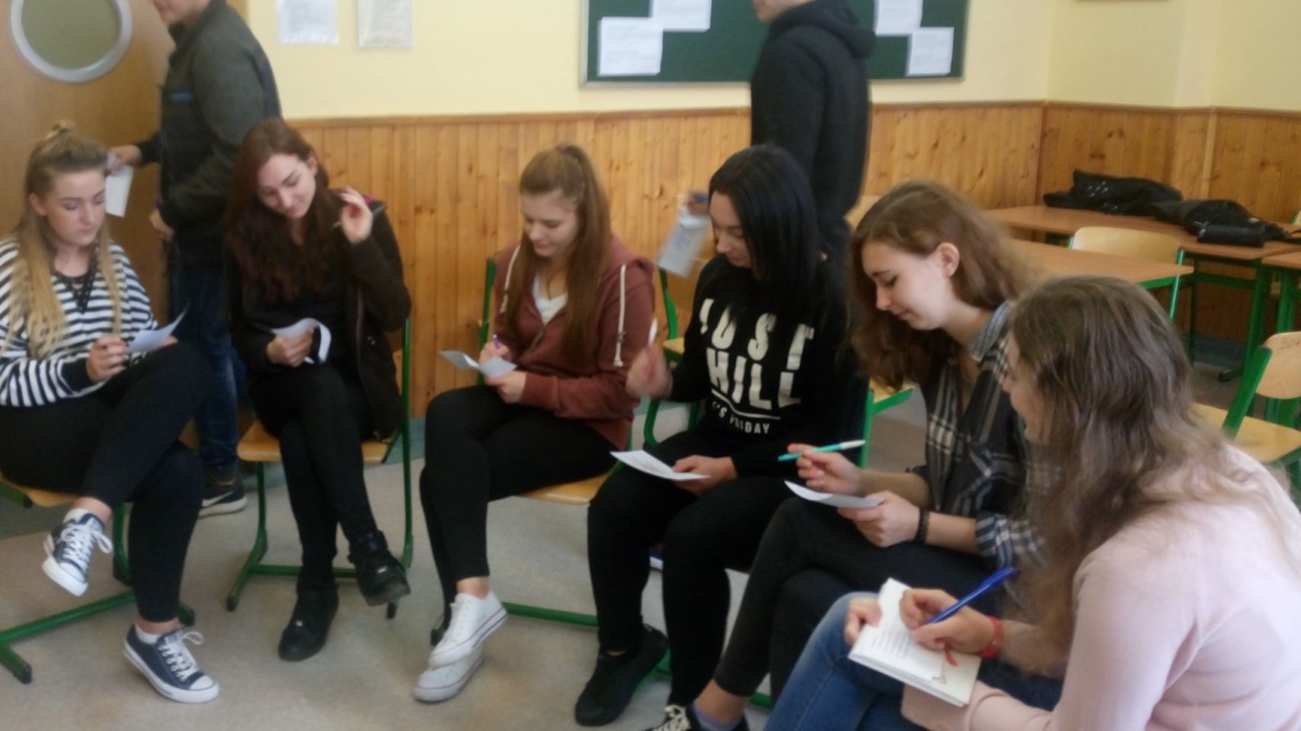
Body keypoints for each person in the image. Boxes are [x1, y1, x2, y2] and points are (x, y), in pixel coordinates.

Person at [768, 275, 1301, 730]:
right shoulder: (1235, 473)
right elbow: (1137, 652)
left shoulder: (1139, 566)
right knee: (855, 640)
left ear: (1063, 399)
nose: (1004, 384)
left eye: (1015, 372)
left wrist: (943, 695)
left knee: (853, 641)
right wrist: (993, 634)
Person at [644, 180, 1040, 731]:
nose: (880, 303)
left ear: (947, 260)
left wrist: (920, 525)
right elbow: (945, 484)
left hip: (1016, 591)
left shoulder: (1031, 361)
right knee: (805, 594)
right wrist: (859, 482)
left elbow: (1045, 541)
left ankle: (712, 715)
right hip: (959, 556)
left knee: (797, 522)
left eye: (890, 281)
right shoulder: (945, 352)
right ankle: (734, 718)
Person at [576, 145, 865, 727]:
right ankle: (624, 650)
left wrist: (733, 470)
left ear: (780, 227)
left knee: (693, 538)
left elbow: (835, 436)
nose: (723, 245)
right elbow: (703, 376)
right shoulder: (718, 277)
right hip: (719, 439)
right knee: (614, 506)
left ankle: (696, 707)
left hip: (792, 470)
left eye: (738, 234)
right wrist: (664, 382)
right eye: (717, 229)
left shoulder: (833, 298)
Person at [0, 125, 217, 704]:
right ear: (38, 203)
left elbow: (138, 343)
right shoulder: (6, 264)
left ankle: (120, 581)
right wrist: (79, 371)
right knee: (175, 468)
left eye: (99, 200)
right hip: (30, 428)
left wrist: (149, 351)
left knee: (189, 366)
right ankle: (97, 536)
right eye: (72, 205)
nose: (90, 218)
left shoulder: (114, 259)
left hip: (103, 419)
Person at [414, 144, 655, 705]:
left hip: (589, 426)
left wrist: (533, 388)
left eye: (551, 223)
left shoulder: (625, 277)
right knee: (445, 411)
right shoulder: (518, 259)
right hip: (524, 395)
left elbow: (619, 393)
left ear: (584, 214)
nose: (535, 234)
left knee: (439, 481)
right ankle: (474, 601)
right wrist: (496, 351)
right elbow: (510, 335)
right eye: (527, 219)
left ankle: (464, 618)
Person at [110, 0, 283, 518]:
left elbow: (239, 153)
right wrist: (143, 151)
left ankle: (221, 476)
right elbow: (197, 132)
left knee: (201, 348)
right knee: (219, 346)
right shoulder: (198, 39)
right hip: (213, 232)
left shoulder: (217, 49)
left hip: (218, 235)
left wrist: (174, 211)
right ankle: (261, 446)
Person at [224, 119, 412, 662]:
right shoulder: (242, 236)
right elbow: (237, 330)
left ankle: (316, 585)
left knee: (305, 434)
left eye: (292, 182)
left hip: (356, 389)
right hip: (279, 387)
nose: (285, 201)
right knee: (313, 390)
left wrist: (361, 246)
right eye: (268, 192)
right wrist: (269, 351)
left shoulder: (364, 216)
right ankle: (368, 549)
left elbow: (395, 315)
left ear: (312, 164)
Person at [739, 0, 874, 277]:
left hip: (795, 251)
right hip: (831, 242)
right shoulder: (839, 41)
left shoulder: (792, 51)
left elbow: (784, 166)